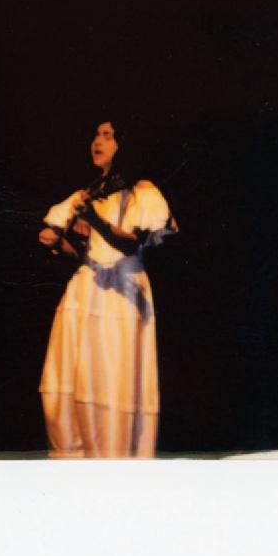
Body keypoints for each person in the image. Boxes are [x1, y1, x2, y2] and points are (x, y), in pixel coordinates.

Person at [38, 120, 178, 458]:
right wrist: (58, 242)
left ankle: (112, 465)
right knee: (66, 386)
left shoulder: (142, 192)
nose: (97, 141)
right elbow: (78, 251)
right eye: (96, 135)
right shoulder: (88, 193)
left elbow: (131, 244)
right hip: (85, 290)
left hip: (120, 295)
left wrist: (95, 221)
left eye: (107, 136)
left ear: (124, 144)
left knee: (107, 383)